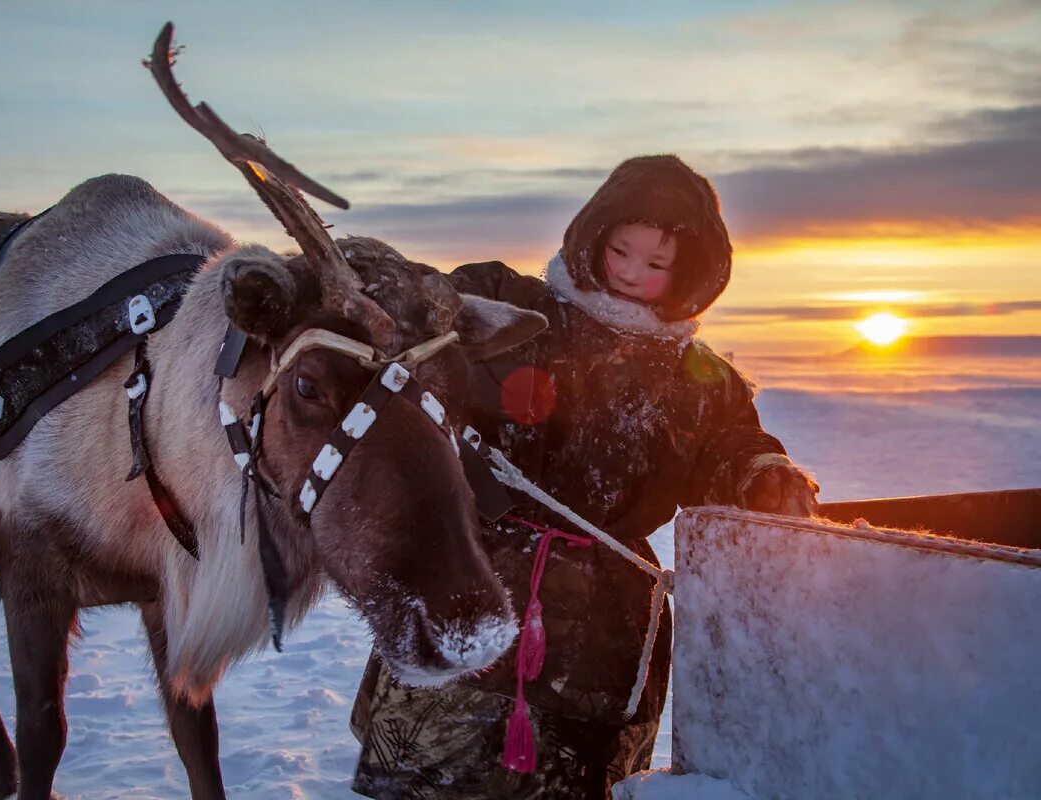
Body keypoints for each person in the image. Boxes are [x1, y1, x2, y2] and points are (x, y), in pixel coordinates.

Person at [349, 155, 819, 799]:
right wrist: (391, 285)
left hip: (605, 630)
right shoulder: (513, 307)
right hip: (476, 582)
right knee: (434, 784)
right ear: (593, 237)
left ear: (692, 274)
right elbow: (425, 312)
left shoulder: (701, 380)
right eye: (621, 251)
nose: (630, 274)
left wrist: (764, 474)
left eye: (656, 266)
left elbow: (733, 446)